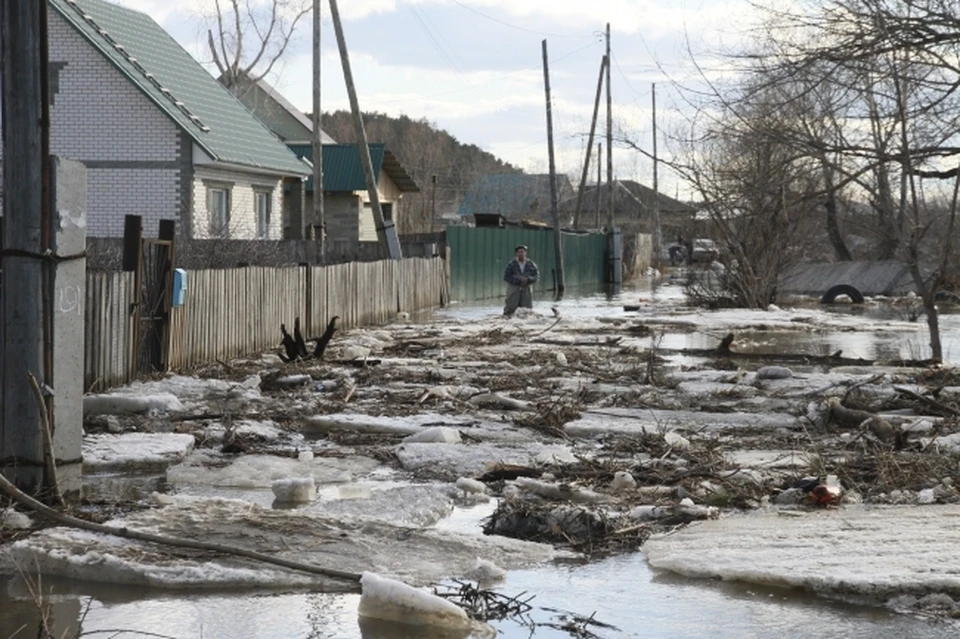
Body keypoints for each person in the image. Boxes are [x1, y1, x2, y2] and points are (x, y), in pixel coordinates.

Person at [503, 245, 539, 316]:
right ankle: (508, 318)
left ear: (526, 253)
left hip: (526, 287)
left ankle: (525, 320)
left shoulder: (531, 264)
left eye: (522, 252)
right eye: (519, 252)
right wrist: (519, 280)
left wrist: (528, 279)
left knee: (527, 308)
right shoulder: (512, 264)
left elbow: (536, 277)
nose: (521, 254)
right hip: (514, 287)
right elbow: (506, 277)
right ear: (516, 254)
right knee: (511, 305)